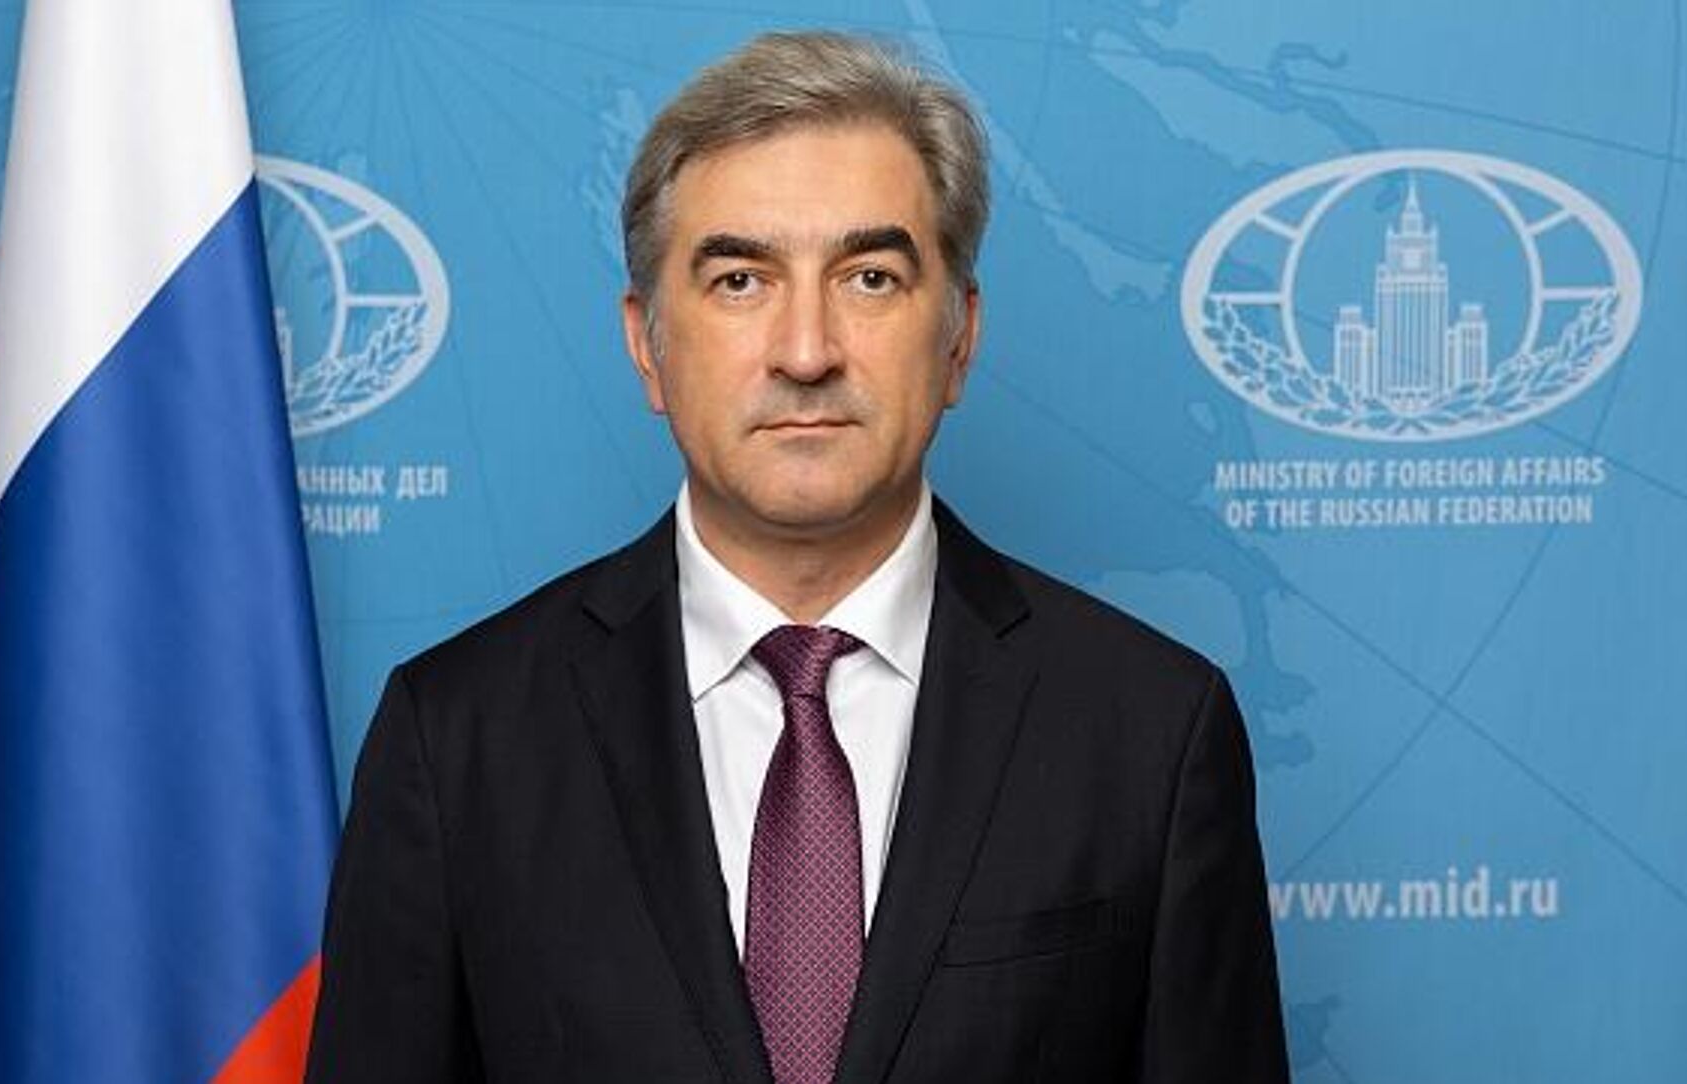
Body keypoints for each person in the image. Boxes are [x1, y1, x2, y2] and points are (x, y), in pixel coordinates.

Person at [305, 30, 1288, 1084]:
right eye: (740, 280)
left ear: (959, 338)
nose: (807, 351)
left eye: (870, 278)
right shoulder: (458, 739)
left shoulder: (1151, 732)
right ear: (647, 344)